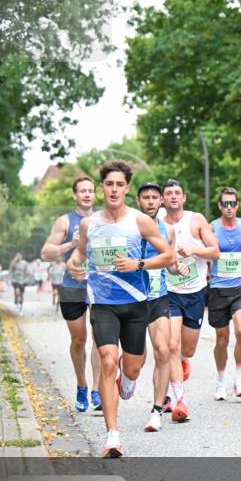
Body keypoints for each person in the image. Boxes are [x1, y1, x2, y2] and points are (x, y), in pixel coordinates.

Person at [67, 160, 173, 458]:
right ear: (103, 188)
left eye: (119, 185)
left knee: (132, 366)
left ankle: (129, 381)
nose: (114, 190)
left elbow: (167, 255)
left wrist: (137, 264)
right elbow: (80, 251)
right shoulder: (90, 224)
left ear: (127, 188)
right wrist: (73, 264)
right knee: (107, 360)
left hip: (137, 304)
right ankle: (113, 436)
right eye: (109, 184)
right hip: (103, 305)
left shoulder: (140, 221)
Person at [158, 179, 220, 420]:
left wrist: (194, 250)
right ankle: (179, 399)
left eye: (177, 193)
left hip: (195, 292)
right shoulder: (157, 225)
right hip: (169, 292)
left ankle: (183, 361)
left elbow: (215, 251)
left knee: (188, 349)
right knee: (171, 345)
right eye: (169, 193)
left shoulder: (196, 221)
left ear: (184, 198)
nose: (173, 197)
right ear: (163, 199)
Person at [41, 175, 103, 411]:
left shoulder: (103, 219)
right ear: (75, 195)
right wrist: (71, 244)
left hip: (100, 288)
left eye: (90, 190)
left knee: (100, 340)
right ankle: (82, 385)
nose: (87, 194)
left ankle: (98, 390)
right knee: (79, 341)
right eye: (82, 191)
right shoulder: (65, 221)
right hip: (73, 286)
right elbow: (46, 252)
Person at [134, 182, 182, 432]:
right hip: (133, 298)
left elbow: (170, 263)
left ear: (161, 201)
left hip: (159, 296)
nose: (151, 201)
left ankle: (156, 411)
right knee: (137, 360)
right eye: (146, 197)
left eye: (155, 197)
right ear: (138, 201)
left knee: (163, 351)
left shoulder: (168, 230)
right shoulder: (130, 226)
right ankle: (129, 377)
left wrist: (178, 268)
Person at [209, 187, 241, 401]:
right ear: (220, 206)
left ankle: (240, 379)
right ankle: (220, 382)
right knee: (221, 338)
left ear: (237, 205)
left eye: (233, 204)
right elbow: (207, 252)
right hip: (219, 288)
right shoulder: (212, 228)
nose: (229, 208)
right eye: (225, 204)